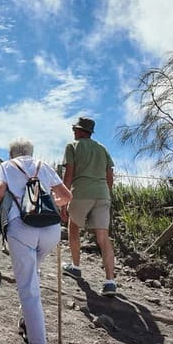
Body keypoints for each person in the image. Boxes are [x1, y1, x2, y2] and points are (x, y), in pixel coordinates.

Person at [0, 138, 72, 344]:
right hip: (51, 229)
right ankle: (28, 322)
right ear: (30, 152)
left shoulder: (7, 166)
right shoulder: (43, 165)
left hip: (22, 228)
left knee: (28, 288)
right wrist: (47, 202)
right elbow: (66, 196)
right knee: (33, 275)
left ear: (12, 153)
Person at [60, 117, 118, 296]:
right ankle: (110, 282)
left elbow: (69, 174)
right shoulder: (102, 148)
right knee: (103, 237)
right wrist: (106, 193)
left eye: (74, 129)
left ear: (78, 131)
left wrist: (63, 200)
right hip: (102, 194)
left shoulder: (72, 146)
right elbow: (110, 175)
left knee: (73, 227)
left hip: (81, 192)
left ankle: (76, 267)